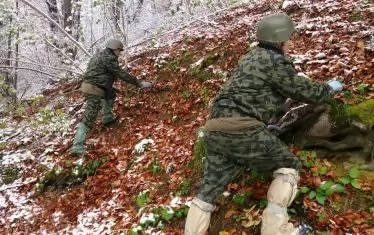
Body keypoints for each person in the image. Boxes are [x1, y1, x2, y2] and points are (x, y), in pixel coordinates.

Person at [184, 13, 343, 235]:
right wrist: (328, 89)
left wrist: (259, 124)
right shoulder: (274, 61)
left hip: (214, 129)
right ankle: (276, 231)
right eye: (289, 38)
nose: (292, 42)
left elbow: (247, 96)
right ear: (279, 39)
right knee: (289, 167)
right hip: (242, 130)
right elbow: (303, 91)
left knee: (208, 190)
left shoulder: (249, 59)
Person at [70, 39, 152, 155]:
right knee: (90, 116)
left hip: (93, 86)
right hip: (94, 89)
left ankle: (107, 117)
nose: (119, 53)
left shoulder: (99, 56)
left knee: (111, 93)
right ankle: (77, 146)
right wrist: (139, 83)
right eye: (119, 51)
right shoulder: (109, 58)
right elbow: (120, 73)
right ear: (114, 49)